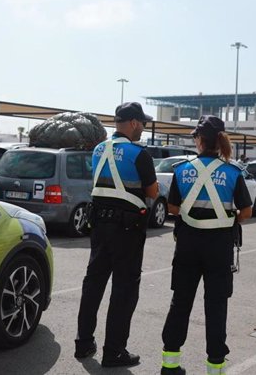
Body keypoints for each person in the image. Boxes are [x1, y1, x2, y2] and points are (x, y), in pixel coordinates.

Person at [160, 115, 252, 375]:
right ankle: (215, 368)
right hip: (219, 247)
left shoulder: (181, 170)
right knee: (216, 306)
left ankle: (170, 364)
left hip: (188, 245)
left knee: (180, 303)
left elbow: (173, 208)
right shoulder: (233, 172)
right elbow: (245, 211)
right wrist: (226, 217)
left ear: (200, 140)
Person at [75, 101, 159, 368]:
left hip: (99, 224)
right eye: (142, 124)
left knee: (94, 284)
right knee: (123, 290)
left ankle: (83, 343)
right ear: (133, 123)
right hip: (127, 229)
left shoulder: (99, 149)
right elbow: (153, 193)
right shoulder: (139, 153)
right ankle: (114, 352)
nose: (143, 129)